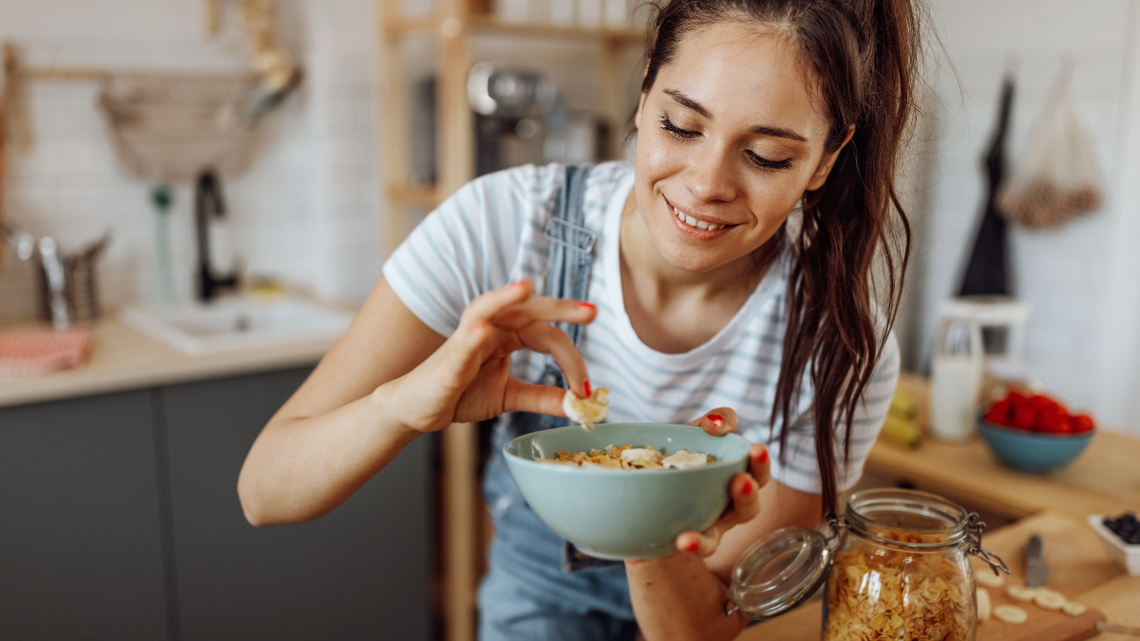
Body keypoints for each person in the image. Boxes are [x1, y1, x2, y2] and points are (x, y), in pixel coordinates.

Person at [238, 0, 922, 638]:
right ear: (644, 91)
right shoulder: (505, 224)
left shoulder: (839, 344)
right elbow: (265, 490)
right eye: (680, 125)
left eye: (767, 155)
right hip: (534, 603)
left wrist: (651, 509)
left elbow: (708, 622)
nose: (708, 182)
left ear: (825, 160)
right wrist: (403, 405)